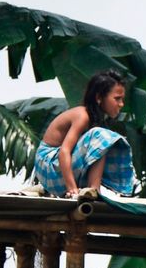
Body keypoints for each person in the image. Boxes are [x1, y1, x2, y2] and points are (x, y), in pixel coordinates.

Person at [35, 70, 137, 198]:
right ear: (99, 98)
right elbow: (64, 152)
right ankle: (93, 188)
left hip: (56, 172)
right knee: (103, 138)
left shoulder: (96, 122)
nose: (121, 104)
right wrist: (72, 189)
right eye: (117, 99)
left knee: (106, 143)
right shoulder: (83, 116)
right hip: (47, 166)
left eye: (122, 99)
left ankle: (93, 190)